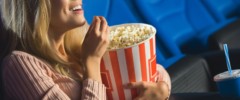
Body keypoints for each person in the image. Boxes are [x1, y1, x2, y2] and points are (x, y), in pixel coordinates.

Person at [0, 0, 171, 100]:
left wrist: (162, 90)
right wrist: (92, 62)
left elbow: (154, 71)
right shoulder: (18, 64)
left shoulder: (83, 44)